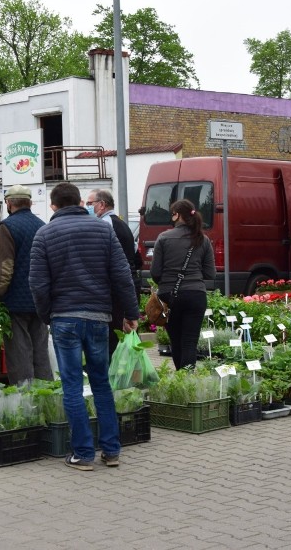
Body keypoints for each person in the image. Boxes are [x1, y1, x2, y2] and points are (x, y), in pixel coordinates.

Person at [30, 182, 139, 471]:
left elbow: (38, 284)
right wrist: (131, 312)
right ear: (80, 202)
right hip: (99, 318)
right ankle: (112, 450)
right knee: (101, 383)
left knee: (72, 387)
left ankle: (83, 454)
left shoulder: (44, 234)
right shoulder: (104, 230)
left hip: (64, 318)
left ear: (53, 205)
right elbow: (122, 274)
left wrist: (46, 315)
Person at [0, 185, 53, 384]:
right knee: (41, 354)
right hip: (40, 300)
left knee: (20, 355)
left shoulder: (8, 227)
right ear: (30, 203)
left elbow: (5, 270)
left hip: (16, 303)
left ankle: (25, 403)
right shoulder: (42, 225)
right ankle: (46, 401)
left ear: (9, 203)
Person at [149, 199, 216, 371]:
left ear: (177, 215)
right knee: (190, 342)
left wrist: (167, 283)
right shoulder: (203, 239)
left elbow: (155, 272)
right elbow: (210, 274)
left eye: (172, 214)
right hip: (196, 295)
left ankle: (180, 377)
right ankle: (189, 380)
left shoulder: (163, 238)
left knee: (176, 341)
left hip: (170, 296)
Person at [86, 188, 143, 356]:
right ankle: (130, 373)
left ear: (102, 205)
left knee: (112, 334)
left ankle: (113, 374)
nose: (87, 207)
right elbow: (137, 257)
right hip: (129, 283)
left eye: (90, 203)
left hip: (114, 287)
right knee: (126, 331)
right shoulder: (122, 224)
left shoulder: (104, 225)